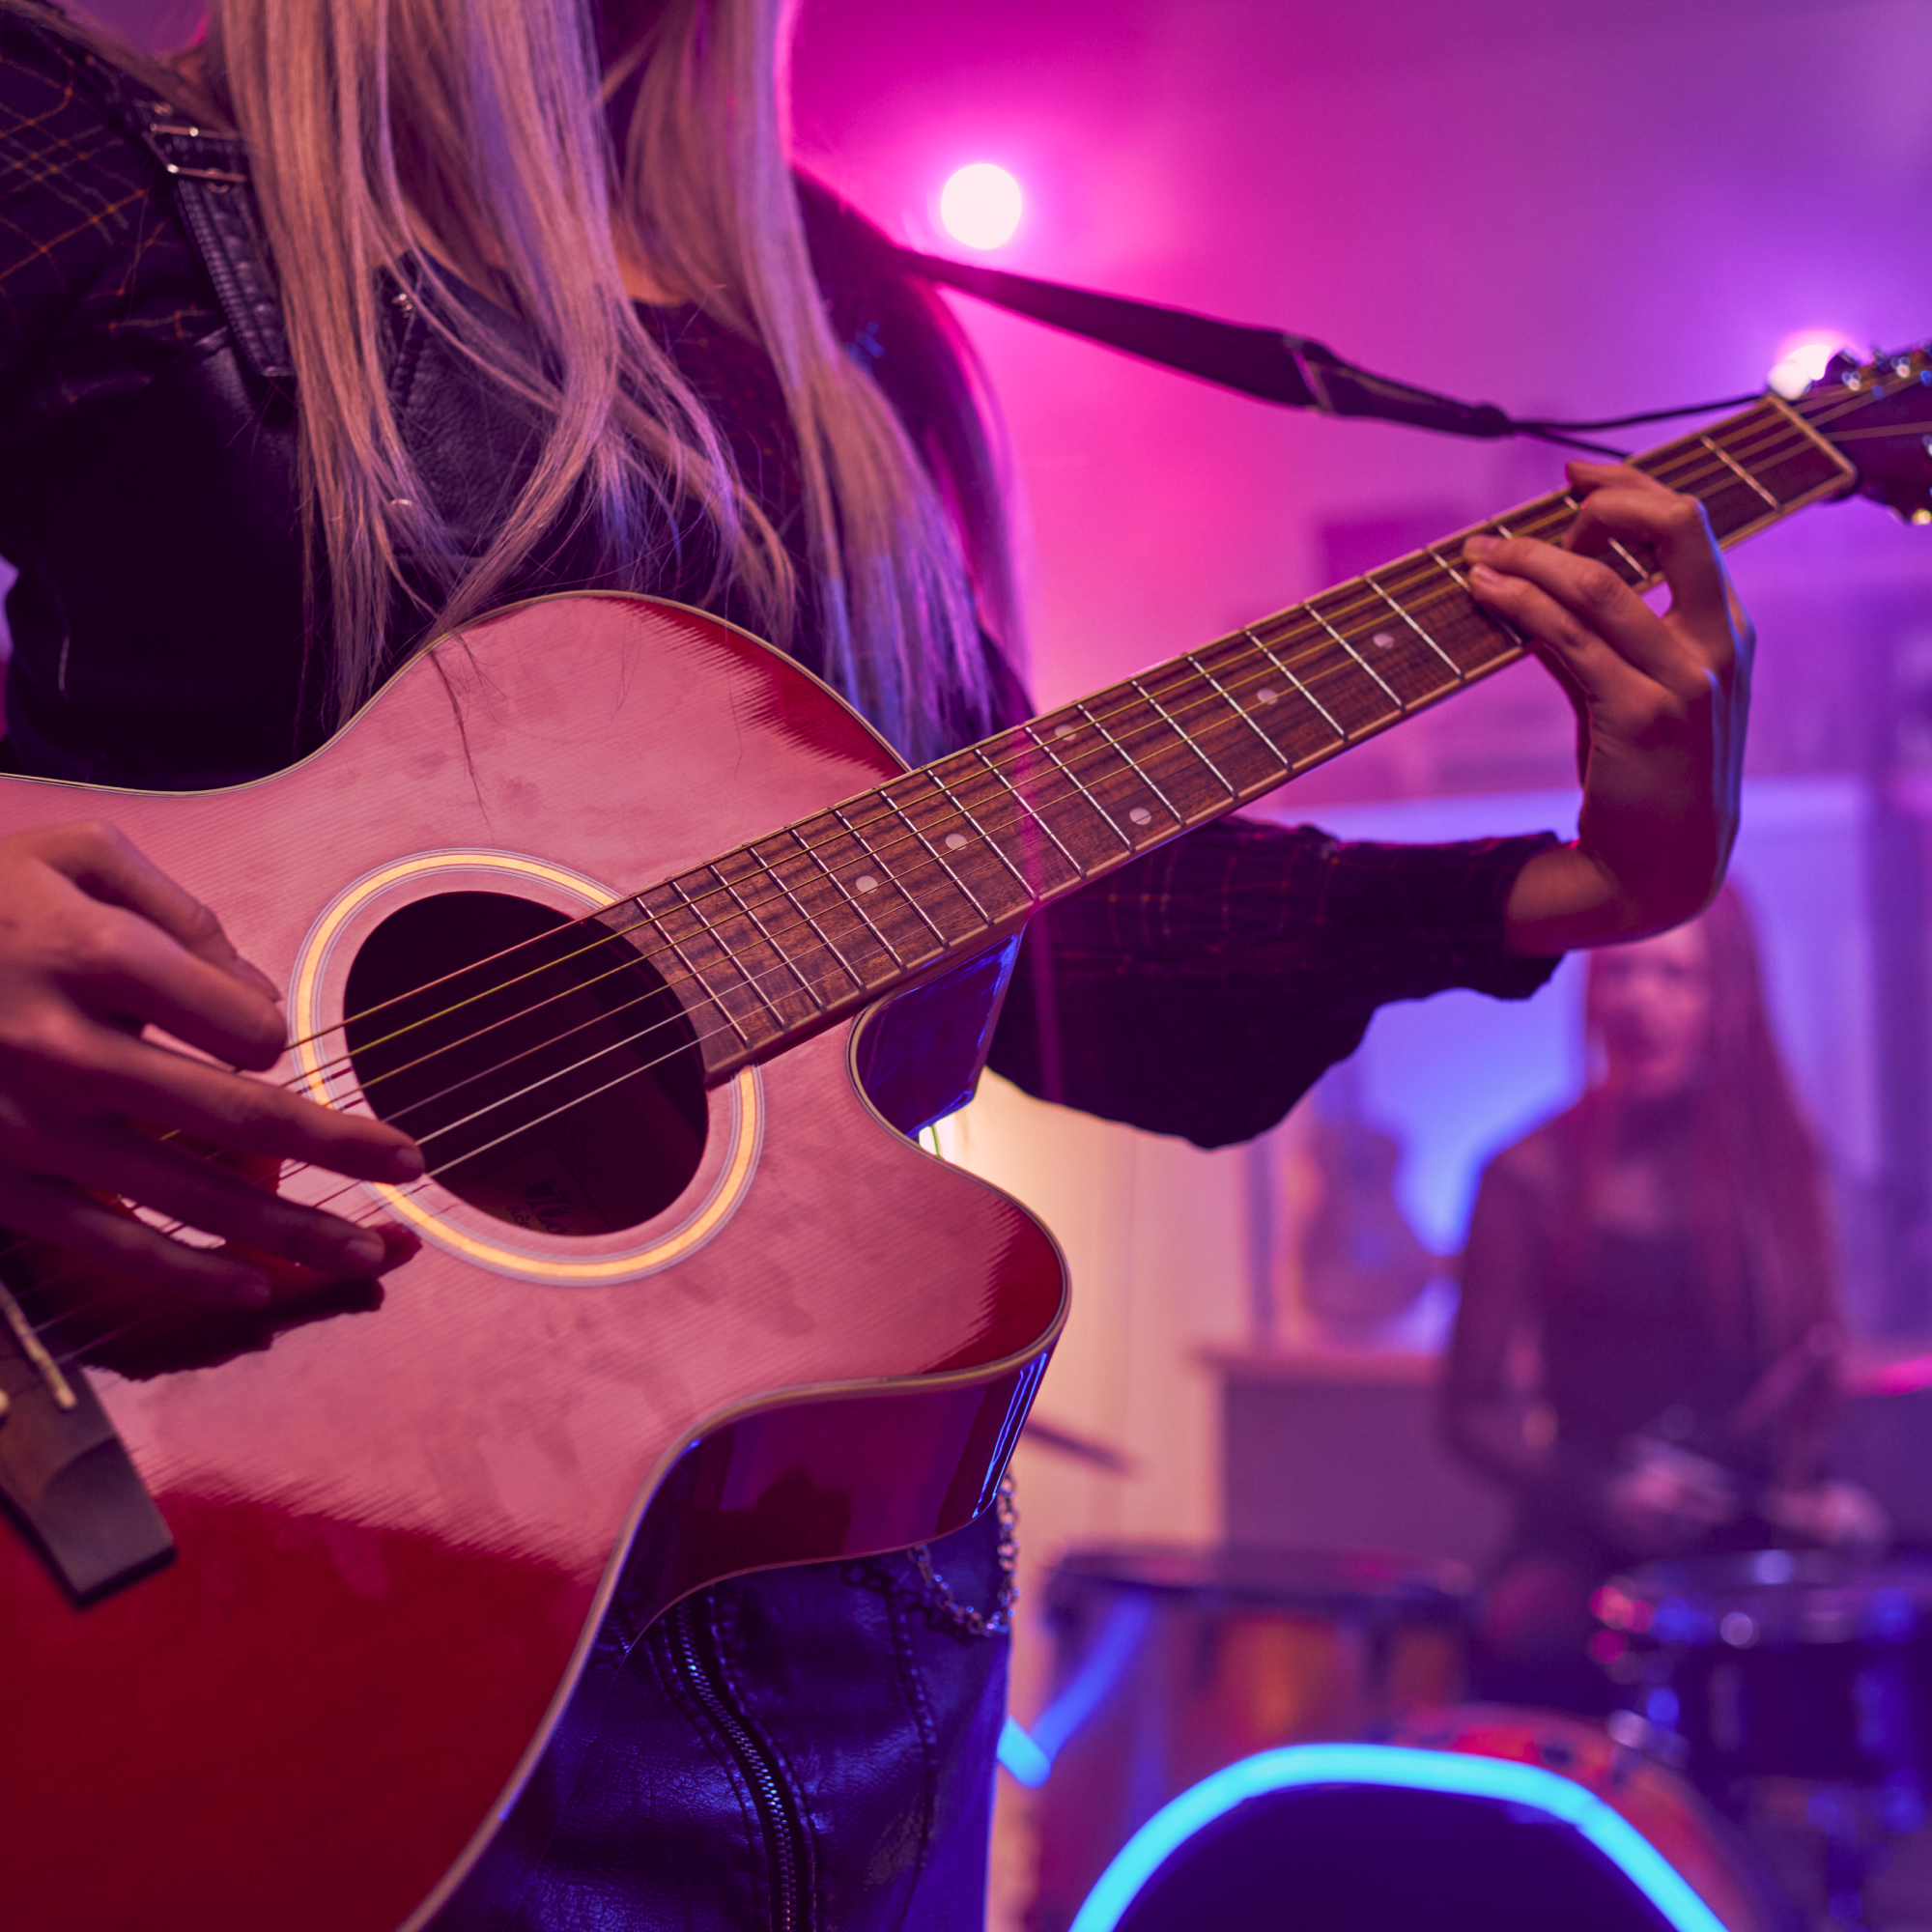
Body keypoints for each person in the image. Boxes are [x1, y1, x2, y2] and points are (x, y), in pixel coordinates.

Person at [0, 0, 1751, 1922]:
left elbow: (1004, 912)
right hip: (239, 1581)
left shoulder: (846, 317)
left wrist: (1576, 886)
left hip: (854, 1644)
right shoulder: (76, 160)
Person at [1446, 888, 1886, 1718]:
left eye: (1675, 976)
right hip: (1582, 1543)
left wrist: (1822, 1494)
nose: (1640, 1001)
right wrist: (1603, 1492)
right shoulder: (1526, 1177)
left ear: (1729, 997)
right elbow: (1468, 1413)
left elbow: (1814, 1370)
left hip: (1754, 1544)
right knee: (1531, 1651)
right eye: (1620, 972)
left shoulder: (1783, 1166)